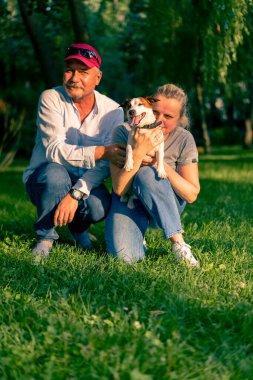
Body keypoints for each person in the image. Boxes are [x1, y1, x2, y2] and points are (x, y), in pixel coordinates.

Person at [23, 43, 125, 257]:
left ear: (98, 78)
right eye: (69, 70)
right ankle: (45, 237)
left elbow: (108, 162)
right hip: (45, 179)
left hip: (85, 182)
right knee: (55, 175)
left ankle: (78, 230)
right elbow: (54, 151)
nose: (74, 77)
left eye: (83, 72)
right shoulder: (50, 98)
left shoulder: (114, 111)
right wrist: (100, 151)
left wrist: (76, 193)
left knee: (99, 206)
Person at [105, 83, 201, 267]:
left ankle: (179, 244)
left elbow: (191, 194)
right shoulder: (123, 131)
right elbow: (118, 188)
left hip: (165, 204)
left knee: (148, 174)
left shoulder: (184, 139)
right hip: (130, 201)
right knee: (124, 259)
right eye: (155, 112)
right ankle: (137, 235)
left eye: (169, 116)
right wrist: (140, 152)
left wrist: (159, 163)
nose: (159, 119)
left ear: (180, 119)